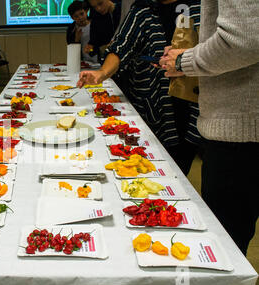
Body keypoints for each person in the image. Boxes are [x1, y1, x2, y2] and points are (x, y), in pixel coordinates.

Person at [159, 0, 259, 255]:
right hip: (240, 127)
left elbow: (241, 40)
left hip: (240, 130)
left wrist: (184, 60)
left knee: (225, 249)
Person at [77, 0, 202, 175]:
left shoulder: (201, 5)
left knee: (183, 160)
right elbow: (120, 46)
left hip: (196, 102)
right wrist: (102, 73)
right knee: (155, 162)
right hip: (154, 103)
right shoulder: (143, 9)